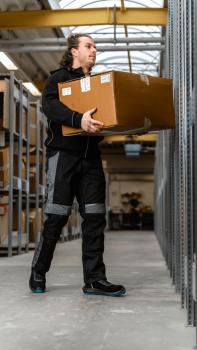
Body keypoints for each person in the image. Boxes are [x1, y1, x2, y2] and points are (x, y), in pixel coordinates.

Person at [29, 33, 126, 297]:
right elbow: (50, 106)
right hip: (63, 156)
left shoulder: (97, 84)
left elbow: (107, 115)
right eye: (88, 46)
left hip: (92, 158)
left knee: (95, 218)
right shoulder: (58, 79)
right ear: (74, 51)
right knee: (57, 215)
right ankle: (38, 271)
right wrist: (77, 119)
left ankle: (95, 279)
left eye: (95, 46)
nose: (94, 50)